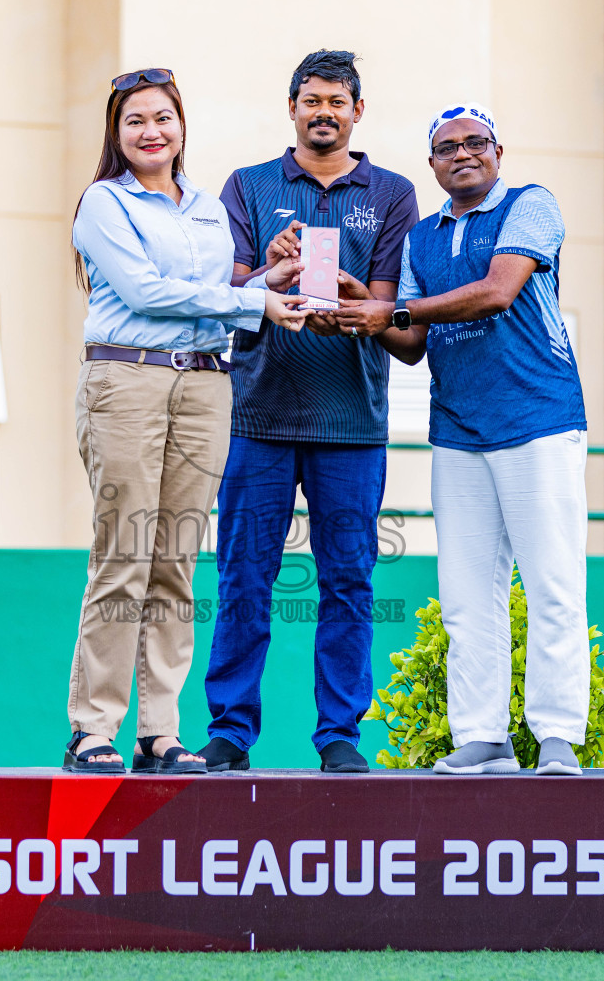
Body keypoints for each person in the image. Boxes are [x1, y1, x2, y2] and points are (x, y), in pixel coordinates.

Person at [334, 103, 590, 776]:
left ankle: (559, 737)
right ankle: (484, 740)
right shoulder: (421, 239)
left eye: (476, 142)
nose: (463, 154)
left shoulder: (531, 206)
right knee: (467, 596)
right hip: (459, 431)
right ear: (432, 165)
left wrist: (391, 308)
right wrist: (358, 311)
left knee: (553, 586)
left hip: (538, 420)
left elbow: (497, 291)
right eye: (448, 148)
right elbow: (412, 343)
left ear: (498, 151)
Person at [66, 68, 308, 774]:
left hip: (205, 385)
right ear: (117, 133)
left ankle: (159, 732)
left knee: (174, 562)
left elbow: (211, 294)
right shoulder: (103, 204)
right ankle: (93, 730)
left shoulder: (208, 207)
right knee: (124, 555)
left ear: (181, 127)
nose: (151, 132)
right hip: (127, 379)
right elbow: (145, 291)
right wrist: (249, 304)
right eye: (136, 120)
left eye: (163, 118)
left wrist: (270, 282)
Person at [199, 50, 419, 773]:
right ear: (290, 107)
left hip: (352, 422)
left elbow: (390, 309)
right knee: (242, 579)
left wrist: (353, 299)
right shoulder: (248, 186)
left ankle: (340, 740)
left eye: (337, 101)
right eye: (311, 100)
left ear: (359, 112)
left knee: (350, 582)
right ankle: (230, 732)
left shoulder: (391, 193)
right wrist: (274, 270)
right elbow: (230, 303)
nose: (324, 112)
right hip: (258, 416)